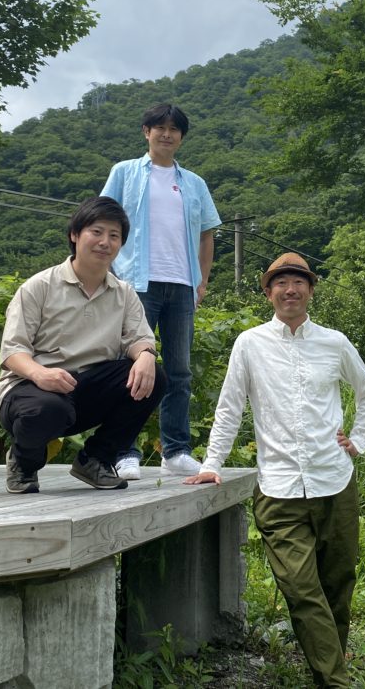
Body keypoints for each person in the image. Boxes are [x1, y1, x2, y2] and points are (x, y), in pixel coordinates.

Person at [185, 253, 365, 688]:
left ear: (310, 290)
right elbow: (230, 407)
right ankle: (337, 681)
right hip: (278, 488)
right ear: (268, 291)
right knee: (301, 589)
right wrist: (211, 464)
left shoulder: (334, 342)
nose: (290, 289)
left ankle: (327, 668)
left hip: (335, 481)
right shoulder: (250, 344)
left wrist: (359, 441)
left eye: (298, 282)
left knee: (337, 585)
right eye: (280, 283)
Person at [0, 196, 165, 494]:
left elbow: (138, 338)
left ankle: (95, 459)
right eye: (96, 232)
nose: (105, 242)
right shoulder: (39, 287)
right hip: (29, 389)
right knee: (46, 409)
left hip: (84, 389)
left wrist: (146, 355)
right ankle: (24, 462)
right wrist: (40, 375)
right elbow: (13, 352)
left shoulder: (122, 293)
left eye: (114, 236)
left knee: (154, 376)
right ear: (75, 234)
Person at [101, 102, 222, 479]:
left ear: (181, 137)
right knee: (129, 367)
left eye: (174, 129)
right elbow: (103, 217)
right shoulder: (124, 173)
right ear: (146, 132)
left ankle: (176, 451)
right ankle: (123, 451)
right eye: (159, 127)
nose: (166, 134)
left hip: (182, 286)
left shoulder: (194, 183)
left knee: (180, 372)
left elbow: (207, 234)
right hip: (136, 283)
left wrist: (201, 280)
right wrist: (108, 273)